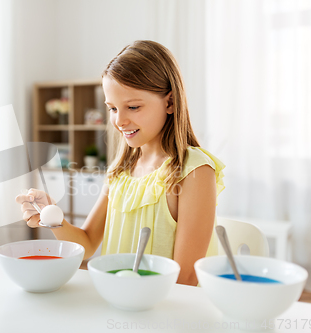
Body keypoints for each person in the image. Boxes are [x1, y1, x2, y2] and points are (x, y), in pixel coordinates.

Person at [16, 40, 225, 286]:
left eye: (133, 107)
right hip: (121, 302)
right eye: (112, 108)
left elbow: (186, 278)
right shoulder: (121, 170)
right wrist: (53, 218)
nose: (119, 121)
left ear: (170, 102)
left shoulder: (193, 171)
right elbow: (87, 242)